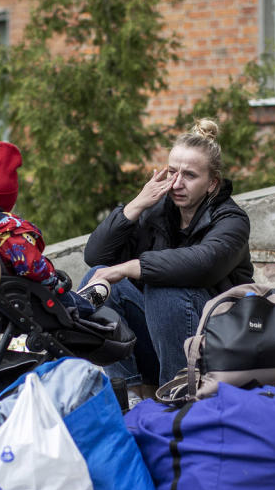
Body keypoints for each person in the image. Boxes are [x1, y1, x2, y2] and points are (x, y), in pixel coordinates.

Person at [82, 118, 254, 396]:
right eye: (172, 172)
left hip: (219, 345)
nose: (176, 183)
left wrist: (133, 267)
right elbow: (95, 255)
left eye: (189, 175)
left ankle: (179, 395)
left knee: (164, 290)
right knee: (98, 278)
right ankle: (132, 395)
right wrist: (137, 203)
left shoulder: (231, 220)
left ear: (212, 183)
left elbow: (204, 264)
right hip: (163, 338)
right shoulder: (157, 211)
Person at [0, 140, 109, 316]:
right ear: (11, 196)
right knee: (65, 299)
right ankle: (84, 304)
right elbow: (33, 267)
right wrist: (55, 278)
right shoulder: (10, 231)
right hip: (21, 299)